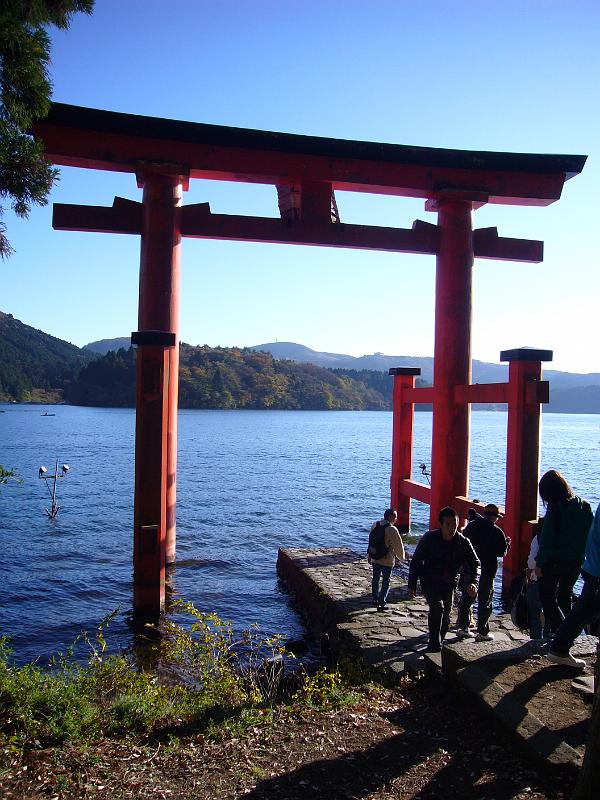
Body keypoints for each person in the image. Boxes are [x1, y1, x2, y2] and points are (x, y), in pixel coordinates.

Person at [408, 507, 480, 653]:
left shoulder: (463, 542)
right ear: (441, 524)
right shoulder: (429, 538)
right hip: (429, 580)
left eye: (455, 524)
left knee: (446, 615)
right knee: (437, 607)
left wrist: (473, 582)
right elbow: (416, 561)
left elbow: (475, 563)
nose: (452, 528)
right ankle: (434, 644)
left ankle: (439, 639)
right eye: (448, 524)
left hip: (449, 583)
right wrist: (412, 584)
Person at [535, 470, 593, 633]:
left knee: (546, 596)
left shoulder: (555, 508)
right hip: (577, 560)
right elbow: (591, 534)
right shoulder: (585, 505)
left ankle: (561, 632)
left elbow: (547, 539)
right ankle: (568, 632)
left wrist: (539, 563)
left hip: (555, 561)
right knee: (565, 596)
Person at [546, 501, 600, 668]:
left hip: (592, 566)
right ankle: (559, 648)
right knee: (585, 611)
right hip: (595, 570)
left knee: (585, 610)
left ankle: (559, 647)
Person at [456, 503, 510, 641]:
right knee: (485, 600)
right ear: (495, 517)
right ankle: (483, 631)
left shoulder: (471, 526)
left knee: (467, 598)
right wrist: (507, 544)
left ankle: (463, 627)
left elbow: (463, 544)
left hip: (470, 568)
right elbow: (501, 552)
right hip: (487, 569)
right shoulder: (497, 531)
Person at [368, 508, 406, 611]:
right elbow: (398, 545)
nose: (396, 519)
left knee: (375, 579)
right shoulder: (392, 529)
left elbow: (371, 542)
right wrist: (401, 558)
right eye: (395, 517)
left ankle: (375, 598)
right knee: (386, 581)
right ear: (390, 517)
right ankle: (382, 602)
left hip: (375, 558)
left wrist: (369, 555)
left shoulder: (375, 525)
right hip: (387, 560)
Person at [526, 523, 551, 640]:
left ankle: (535, 640)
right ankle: (549, 637)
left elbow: (532, 560)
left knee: (535, 613)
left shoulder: (538, 538)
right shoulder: (562, 537)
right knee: (551, 612)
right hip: (555, 580)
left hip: (537, 579)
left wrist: (530, 569)